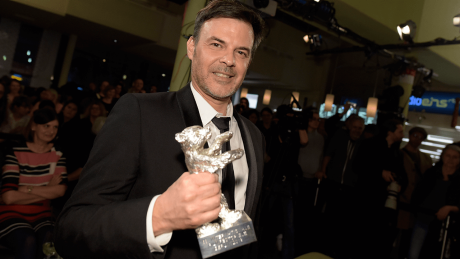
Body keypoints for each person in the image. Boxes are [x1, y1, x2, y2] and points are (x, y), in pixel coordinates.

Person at [55, 1, 266, 258]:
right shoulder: (140, 113)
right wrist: (159, 215)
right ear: (191, 47)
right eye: (216, 44)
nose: (229, 60)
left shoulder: (254, 137)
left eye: (241, 52)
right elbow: (72, 227)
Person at [0, 108, 67, 258]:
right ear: (33, 126)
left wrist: (26, 189)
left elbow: (60, 191)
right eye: (46, 126)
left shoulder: (57, 155)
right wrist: (47, 189)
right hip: (11, 212)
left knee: (50, 240)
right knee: (27, 239)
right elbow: (8, 197)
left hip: (43, 214)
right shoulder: (16, 153)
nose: (51, 131)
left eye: (55, 127)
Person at [353, 119, 408, 259]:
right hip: (367, 199)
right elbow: (358, 165)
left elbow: (403, 175)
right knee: (363, 235)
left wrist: (399, 183)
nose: (402, 134)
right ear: (390, 132)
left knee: (381, 237)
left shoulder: (397, 153)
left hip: (387, 202)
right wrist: (380, 172)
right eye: (400, 131)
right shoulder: (369, 145)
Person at [314, 116, 364, 258]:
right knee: (329, 215)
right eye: (355, 127)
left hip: (349, 187)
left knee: (343, 219)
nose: (357, 130)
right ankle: (323, 247)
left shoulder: (362, 144)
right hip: (333, 183)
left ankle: (336, 249)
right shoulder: (340, 137)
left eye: (360, 128)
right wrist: (323, 170)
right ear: (349, 127)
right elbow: (328, 154)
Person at [408, 144, 460, 259]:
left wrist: (450, 208)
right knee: (414, 254)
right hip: (423, 218)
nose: (450, 159)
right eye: (448, 156)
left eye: (455, 157)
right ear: (443, 157)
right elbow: (418, 192)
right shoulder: (432, 172)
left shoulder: (458, 178)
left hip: (446, 225)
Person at [397, 127, 432, 257]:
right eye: (415, 136)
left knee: (408, 235)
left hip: (416, 202)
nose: (417, 139)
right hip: (402, 199)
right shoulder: (399, 153)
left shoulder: (425, 158)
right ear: (410, 135)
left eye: (420, 137)